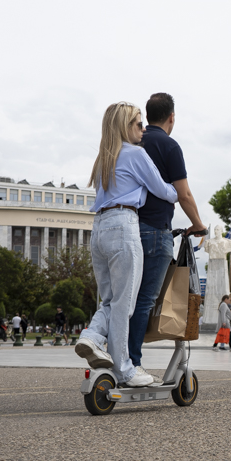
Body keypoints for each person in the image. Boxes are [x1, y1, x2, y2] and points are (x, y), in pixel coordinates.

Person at [75, 102, 178, 388]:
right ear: (124, 127)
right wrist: (173, 189)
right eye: (137, 124)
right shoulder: (136, 154)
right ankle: (124, 369)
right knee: (125, 304)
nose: (143, 130)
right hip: (123, 225)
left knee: (109, 300)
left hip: (99, 230)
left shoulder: (104, 158)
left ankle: (91, 337)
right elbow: (166, 192)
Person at [128, 93, 208, 377]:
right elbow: (183, 194)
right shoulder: (169, 146)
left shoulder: (133, 141)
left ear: (147, 116)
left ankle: (114, 354)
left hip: (126, 228)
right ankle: (133, 364)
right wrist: (198, 224)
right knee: (146, 299)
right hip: (154, 231)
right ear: (172, 117)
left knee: (125, 296)